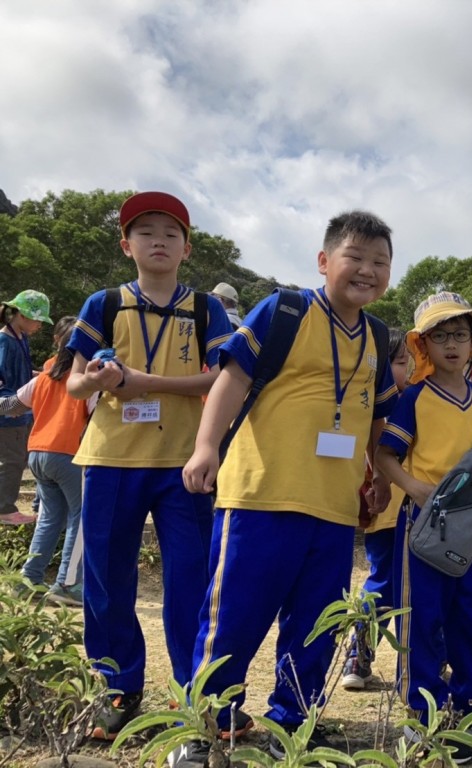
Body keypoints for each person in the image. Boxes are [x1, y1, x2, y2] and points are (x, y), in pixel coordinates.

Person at [181, 210, 397, 756]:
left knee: (315, 626)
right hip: (260, 496)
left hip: (332, 508)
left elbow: (372, 414)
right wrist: (206, 446)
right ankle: (206, 728)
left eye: (380, 261)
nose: (368, 270)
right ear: (324, 262)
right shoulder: (284, 310)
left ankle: (290, 724)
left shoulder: (376, 335)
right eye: (356, 257)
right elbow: (233, 377)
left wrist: (375, 476)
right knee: (233, 618)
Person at [66, 192, 233, 739]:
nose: (157, 240)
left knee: (192, 579)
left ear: (187, 247)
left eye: (170, 232)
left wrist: (147, 383)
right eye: (145, 231)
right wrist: (96, 377)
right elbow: (72, 383)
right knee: (107, 580)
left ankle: (198, 694)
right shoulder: (104, 303)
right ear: (126, 245)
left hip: (185, 463)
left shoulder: (207, 309)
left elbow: (225, 376)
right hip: (111, 460)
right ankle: (118, 685)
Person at [376, 292, 472, 763]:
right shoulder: (414, 398)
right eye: (440, 335)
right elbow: (384, 455)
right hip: (425, 525)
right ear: (423, 345)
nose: (452, 344)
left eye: (460, 334)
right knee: (422, 617)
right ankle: (422, 710)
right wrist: (415, 488)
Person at [0, 317, 93, 604]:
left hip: (38, 454)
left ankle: (28, 580)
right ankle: (68, 584)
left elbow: (12, 406)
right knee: (81, 518)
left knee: (50, 519)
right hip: (69, 454)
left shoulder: (44, 376)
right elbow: (98, 415)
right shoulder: (86, 378)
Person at [342, 326, 410, 690]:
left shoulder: (421, 398)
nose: (408, 369)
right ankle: (359, 652)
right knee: (383, 582)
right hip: (387, 509)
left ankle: (413, 661)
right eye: (400, 363)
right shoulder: (375, 403)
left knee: (414, 586)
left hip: (419, 512)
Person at [1, 289, 52, 526]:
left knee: (20, 459)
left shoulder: (21, 339)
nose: (40, 326)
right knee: (11, 460)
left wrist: (42, 376)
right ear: (21, 315)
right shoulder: (5, 340)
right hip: (8, 411)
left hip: (22, 409)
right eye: (38, 320)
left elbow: (21, 373)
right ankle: (4, 509)